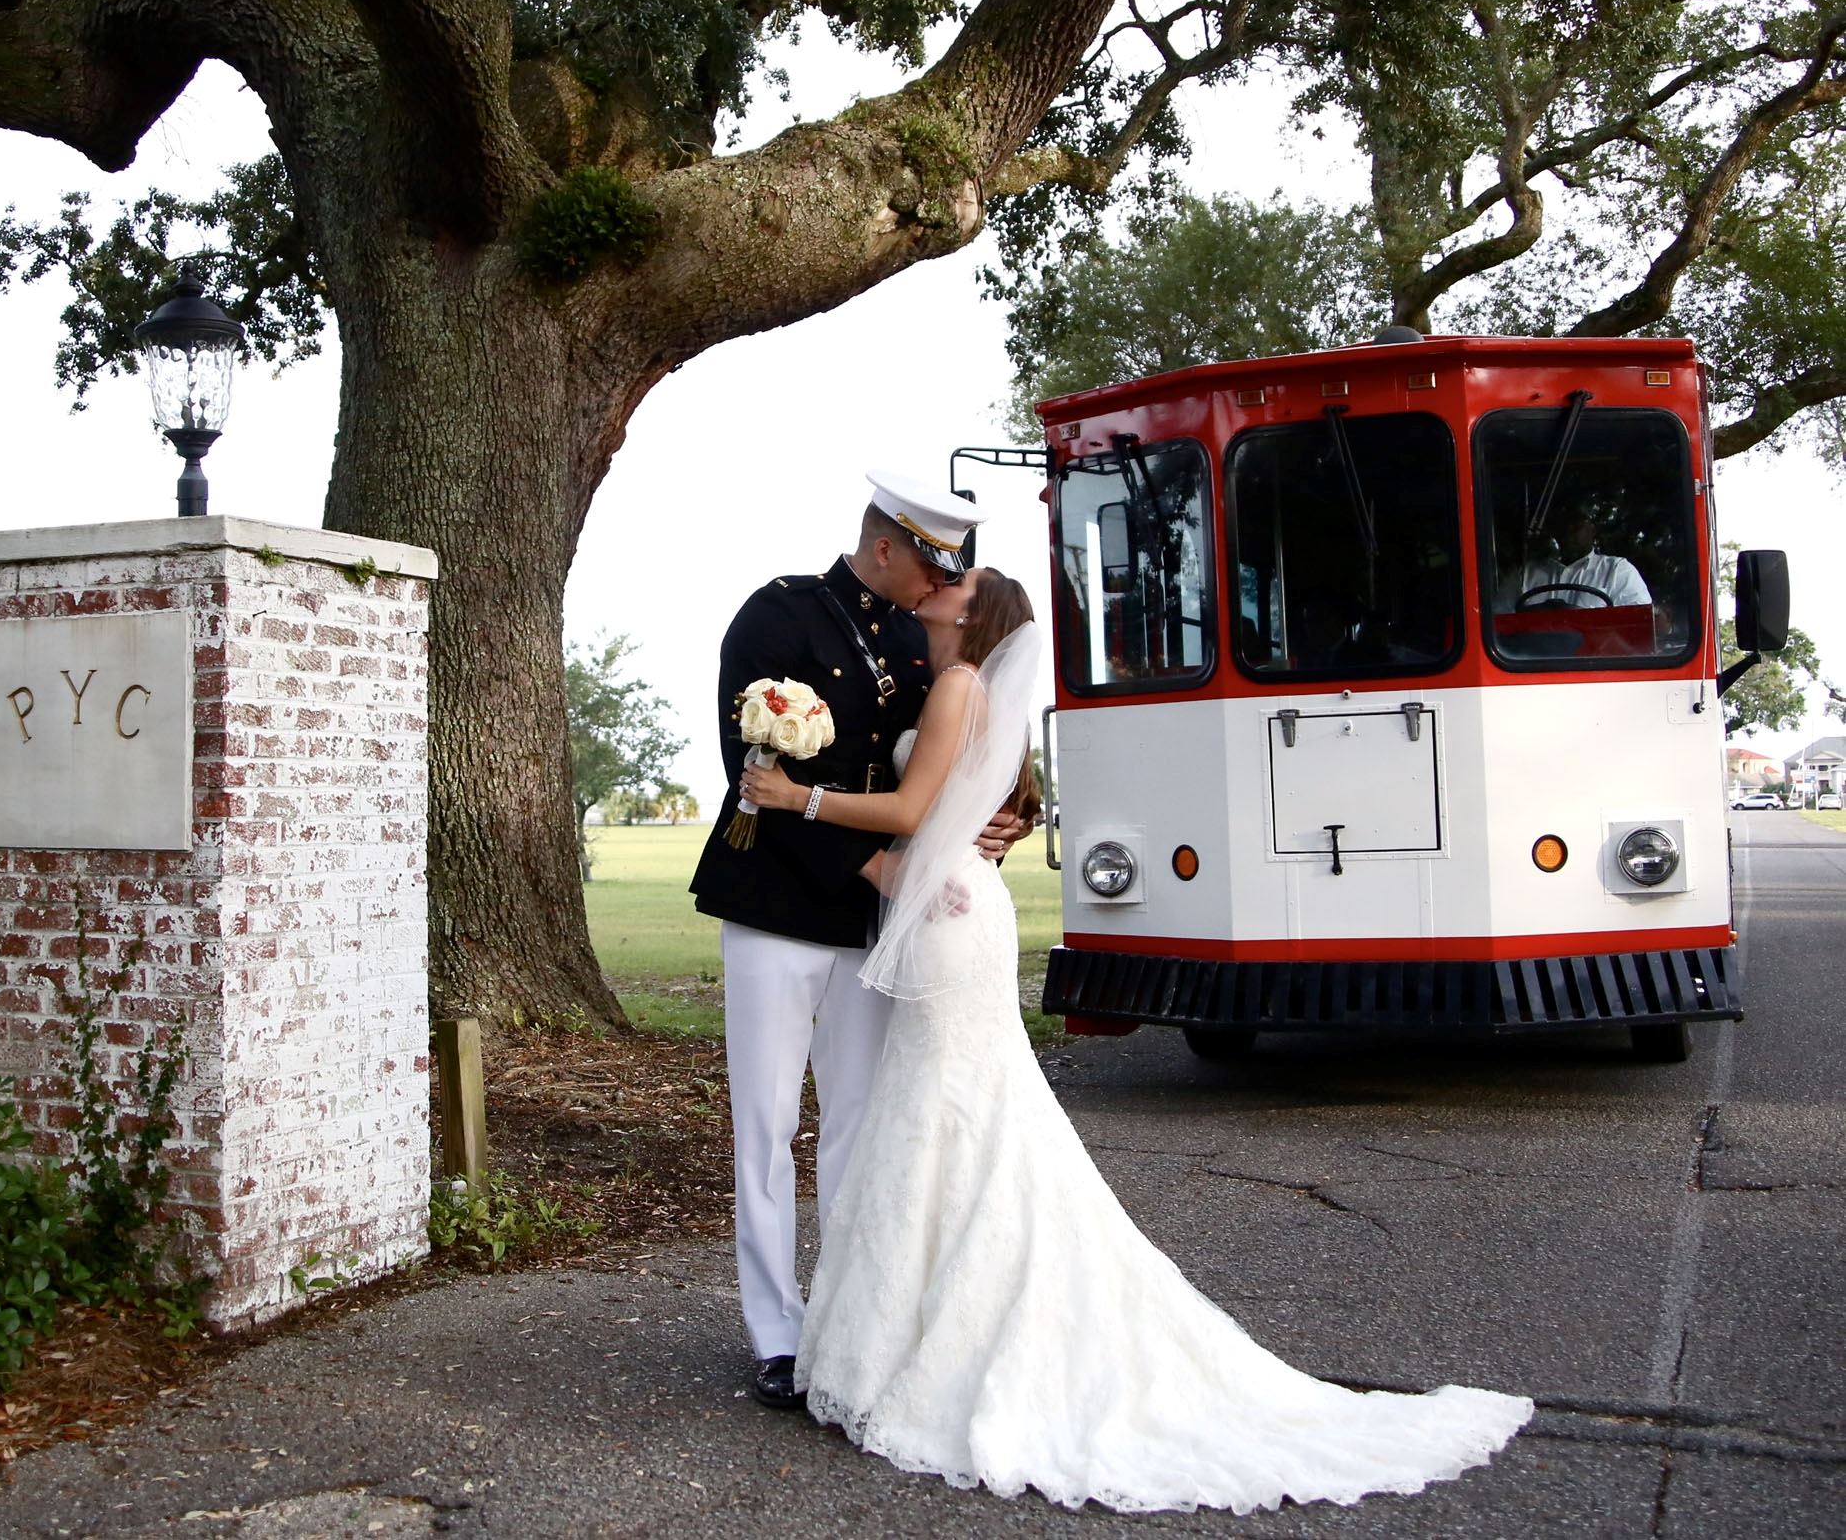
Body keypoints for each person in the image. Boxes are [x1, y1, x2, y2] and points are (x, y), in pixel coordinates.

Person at [738, 568, 1534, 1514]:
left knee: (950, 1113)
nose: (940, 589)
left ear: (975, 615)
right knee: (957, 1117)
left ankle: (936, 1333)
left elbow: (914, 813)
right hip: (953, 904)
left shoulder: (957, 686)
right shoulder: (961, 686)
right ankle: (928, 1322)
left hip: (950, 918)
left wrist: (800, 801)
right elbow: (968, 806)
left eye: (958, 586)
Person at [687, 471, 1026, 1413]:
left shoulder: (924, 644)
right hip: (776, 905)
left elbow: (959, 758)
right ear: (887, 547)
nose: (936, 583)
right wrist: (875, 867)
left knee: (858, 1125)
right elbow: (753, 774)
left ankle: (844, 1316)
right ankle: (774, 1332)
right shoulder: (779, 618)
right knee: (765, 1126)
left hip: (875, 928)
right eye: (929, 561)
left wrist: (996, 824)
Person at [1513, 505, 1650, 608]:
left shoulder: (1617, 570)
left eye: (1576, 526)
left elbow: (1637, 623)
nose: (1568, 532)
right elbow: (1499, 618)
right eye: (1562, 525)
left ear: (1592, 529)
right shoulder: (1526, 574)